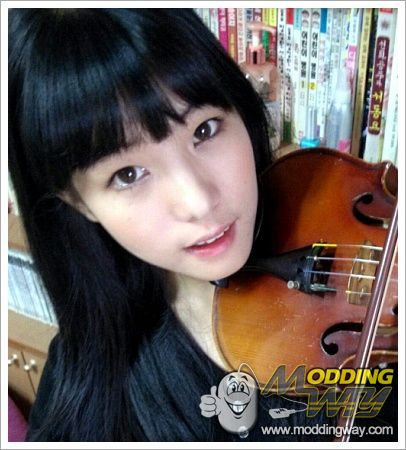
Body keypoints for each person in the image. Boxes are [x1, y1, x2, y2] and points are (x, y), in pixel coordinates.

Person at [9, 8, 391, 442]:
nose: (199, 201)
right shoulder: (84, 393)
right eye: (128, 174)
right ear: (79, 202)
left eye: (205, 130)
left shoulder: (327, 210)